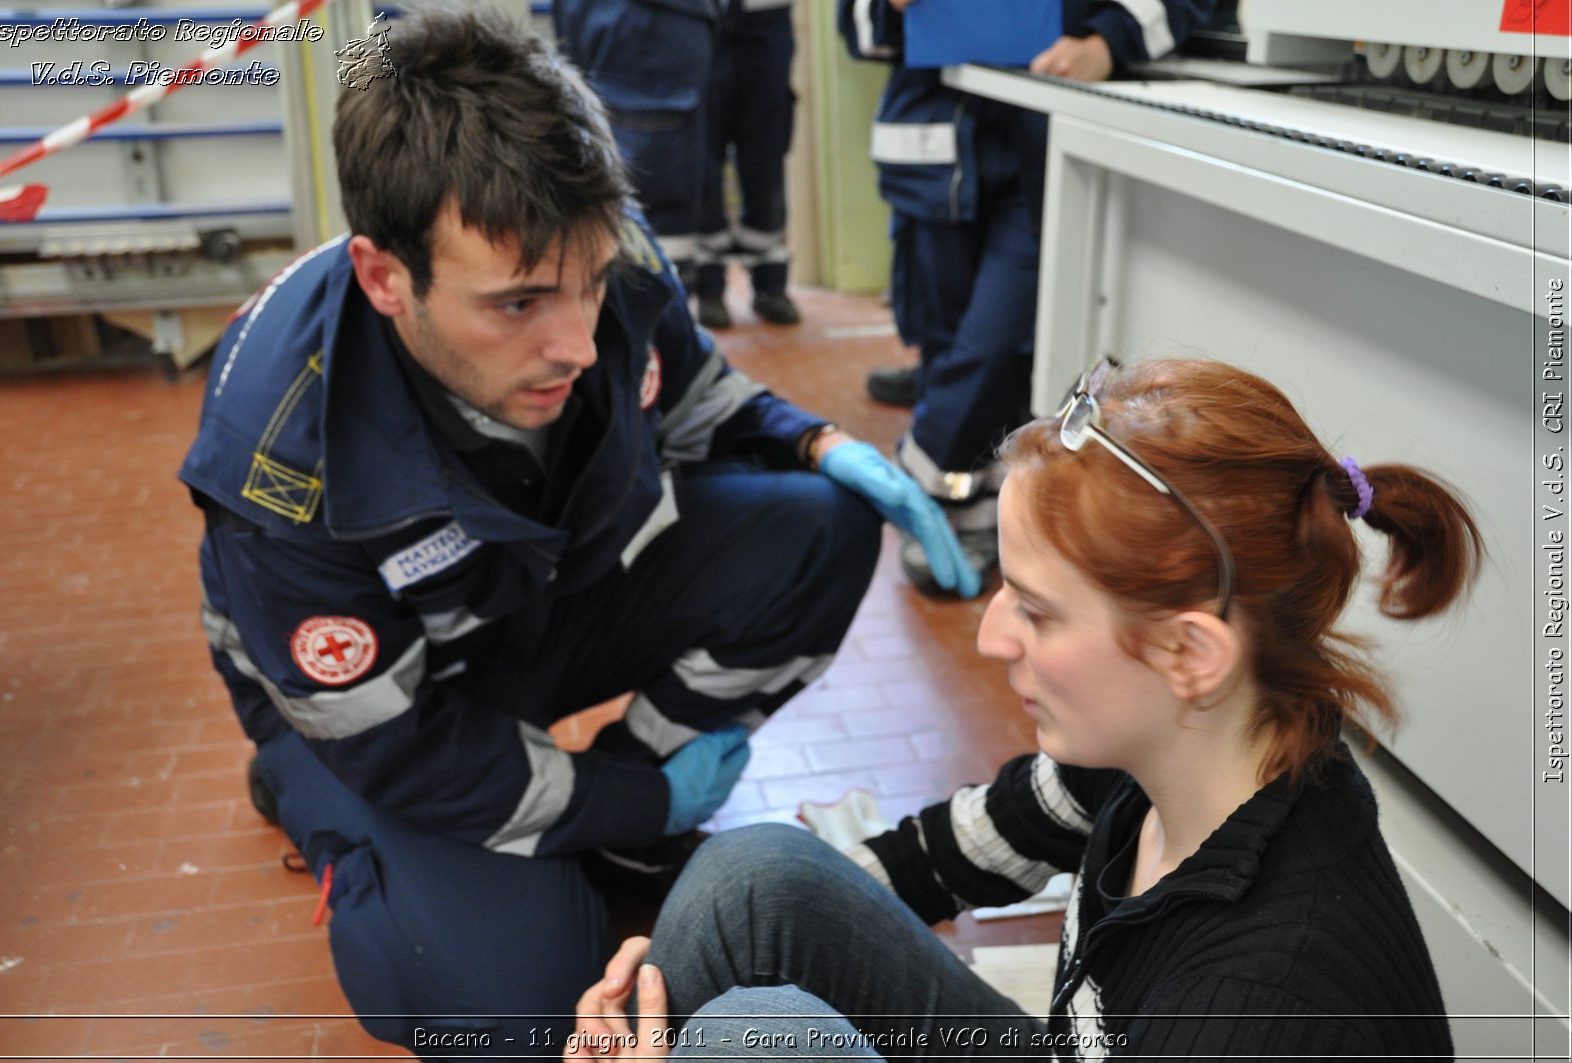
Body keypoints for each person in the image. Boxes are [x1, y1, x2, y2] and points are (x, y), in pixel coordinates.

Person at [178, 5, 981, 1056]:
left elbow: (686, 391)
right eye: (517, 305)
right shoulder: (283, 460)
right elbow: (401, 741)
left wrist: (817, 443)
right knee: (512, 1005)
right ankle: (311, 795)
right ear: (386, 279)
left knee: (821, 527)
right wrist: (639, 797)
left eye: (589, 285)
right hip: (380, 710)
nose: (574, 341)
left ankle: (612, 835)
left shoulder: (590, 245)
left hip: (525, 601)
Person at [568, 357, 1480, 1060]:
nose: (992, 635)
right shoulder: (1171, 751)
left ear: (1190, 653)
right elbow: (961, 846)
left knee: (753, 1039)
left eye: (1037, 610)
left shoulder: (1261, 1007)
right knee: (753, 875)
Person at [841, 0, 1216, 595]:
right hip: (931, 152)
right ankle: (981, 503)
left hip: (1047, 145)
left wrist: (1108, 41)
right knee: (946, 347)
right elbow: (856, 28)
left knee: (995, 346)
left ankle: (931, 496)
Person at [554, 0, 718, 292]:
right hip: (652, 21)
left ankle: (647, 315)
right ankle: (657, 318)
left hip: (619, 18)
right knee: (656, 179)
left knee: (596, 154)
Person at [694, 0, 802, 330]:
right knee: (702, 162)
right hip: (701, 23)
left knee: (766, 159)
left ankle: (770, 286)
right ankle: (709, 289)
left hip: (766, 27)